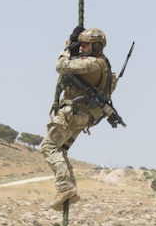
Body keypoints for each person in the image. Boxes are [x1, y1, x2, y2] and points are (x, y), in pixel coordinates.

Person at [41, 26, 117, 211]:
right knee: (61, 150)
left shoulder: (93, 64)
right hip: (82, 117)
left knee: (49, 147)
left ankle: (65, 188)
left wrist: (67, 49)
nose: (81, 48)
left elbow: (61, 67)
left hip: (72, 113)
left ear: (96, 46)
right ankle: (70, 189)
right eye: (80, 45)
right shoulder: (104, 65)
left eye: (85, 45)